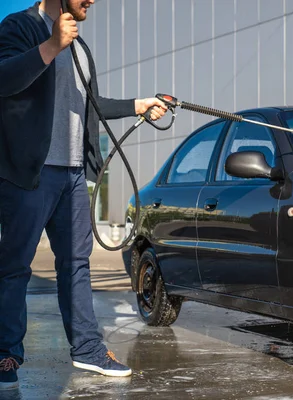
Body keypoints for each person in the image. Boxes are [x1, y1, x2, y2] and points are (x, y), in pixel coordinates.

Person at [0, 0, 168, 390]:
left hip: (73, 173)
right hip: (30, 174)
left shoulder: (79, 46)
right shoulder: (21, 27)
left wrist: (137, 105)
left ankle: (88, 349)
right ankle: (5, 353)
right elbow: (4, 80)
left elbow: (90, 106)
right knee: (14, 267)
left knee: (76, 264)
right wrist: (50, 46)